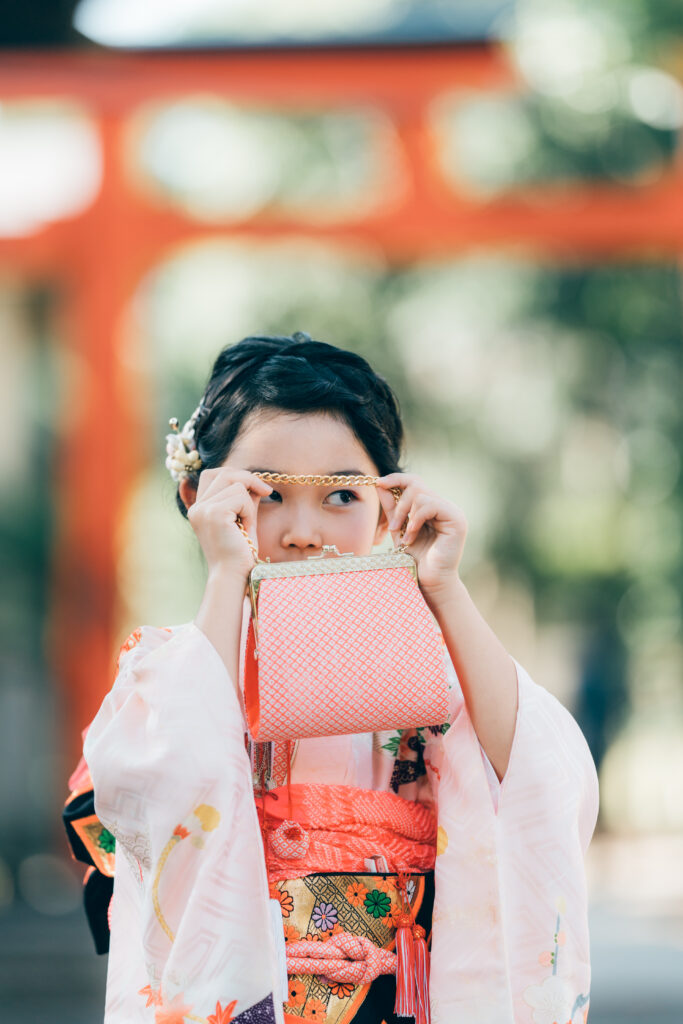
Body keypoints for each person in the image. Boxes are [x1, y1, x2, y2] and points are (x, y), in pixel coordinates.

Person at [63, 332, 599, 1024]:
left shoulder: (420, 664)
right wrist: (228, 573)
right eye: (266, 494)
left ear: (387, 507)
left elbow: (535, 773)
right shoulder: (168, 670)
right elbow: (159, 796)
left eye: (340, 496)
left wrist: (446, 592)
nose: (302, 529)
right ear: (200, 496)